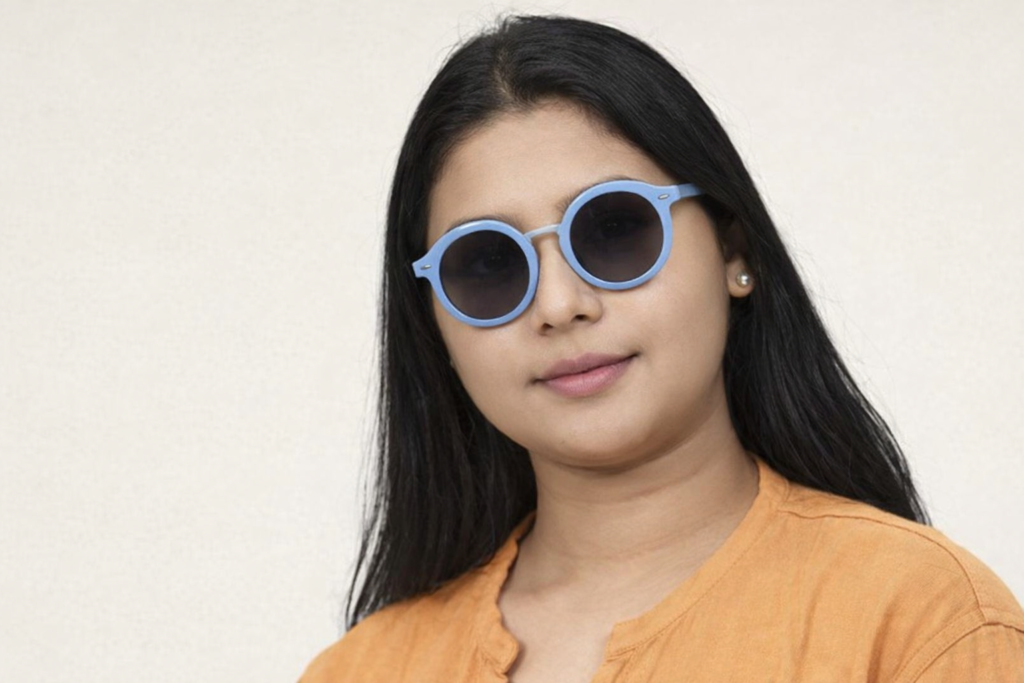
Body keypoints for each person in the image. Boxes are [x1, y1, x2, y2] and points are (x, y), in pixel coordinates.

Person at [298, 13, 1024, 683]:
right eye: (489, 264)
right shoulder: (359, 671)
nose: (559, 304)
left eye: (614, 230)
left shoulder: (922, 620)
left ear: (734, 252)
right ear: (434, 323)